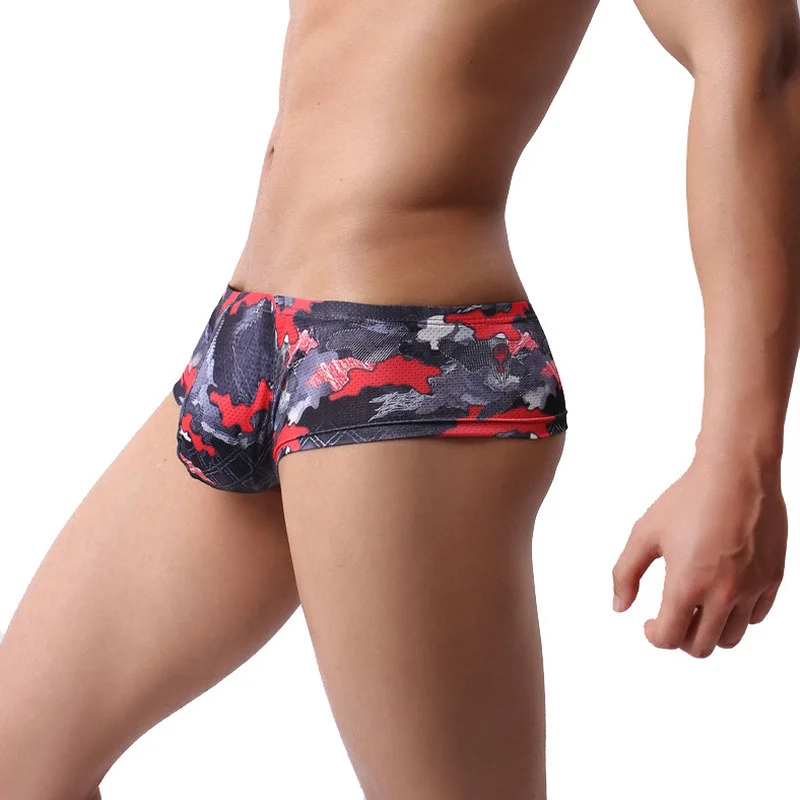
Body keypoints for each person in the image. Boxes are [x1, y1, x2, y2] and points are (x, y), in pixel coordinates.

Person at [1, 0, 798, 797]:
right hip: (247, 332)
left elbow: (755, 57)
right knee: (20, 766)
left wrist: (739, 459)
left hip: (406, 351)